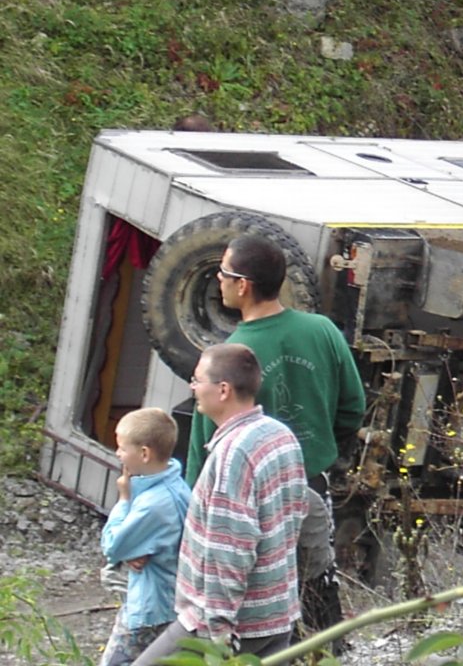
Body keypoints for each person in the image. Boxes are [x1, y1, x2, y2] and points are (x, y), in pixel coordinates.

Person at [183, 233, 366, 646]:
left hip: (250, 501)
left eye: (224, 273)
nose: (218, 279)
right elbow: (353, 407)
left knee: (260, 604)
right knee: (317, 586)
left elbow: (204, 447)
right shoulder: (323, 330)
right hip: (312, 485)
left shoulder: (227, 359)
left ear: (243, 285)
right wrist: (318, 451)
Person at [134, 343, 308, 664]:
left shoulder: (233, 454)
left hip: (229, 625)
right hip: (277, 616)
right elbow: (298, 513)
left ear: (223, 390)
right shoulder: (280, 436)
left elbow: (229, 549)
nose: (193, 387)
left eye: (198, 380)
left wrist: (218, 633)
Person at [98, 408, 191, 666]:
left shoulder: (153, 504)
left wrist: (124, 499)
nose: (118, 454)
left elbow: (112, 546)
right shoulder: (176, 486)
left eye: (122, 448)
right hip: (171, 601)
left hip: (151, 606)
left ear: (144, 454)